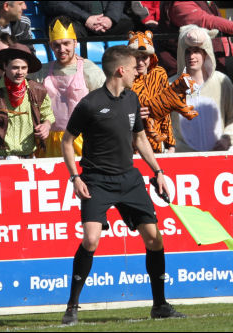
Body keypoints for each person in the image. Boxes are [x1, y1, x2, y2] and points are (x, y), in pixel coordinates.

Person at [60, 45, 186, 325]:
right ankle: (72, 306)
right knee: (91, 239)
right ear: (120, 70)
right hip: (96, 180)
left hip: (130, 179)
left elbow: (140, 139)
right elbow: (66, 142)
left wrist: (158, 171)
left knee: (154, 238)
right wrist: (75, 177)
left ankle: (160, 305)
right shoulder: (90, 104)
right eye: (132, 67)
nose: (136, 71)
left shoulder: (132, 99)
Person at [29, 16, 106, 157]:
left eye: (66, 43)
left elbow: (105, 104)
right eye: (56, 45)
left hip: (82, 140)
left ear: (75, 43)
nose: (61, 49)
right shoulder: (41, 72)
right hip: (49, 141)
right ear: (50, 45)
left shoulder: (90, 70)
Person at [168, 24, 233, 152]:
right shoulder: (170, 86)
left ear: (205, 52)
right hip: (184, 159)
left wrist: (227, 138)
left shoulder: (222, 82)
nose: (192, 57)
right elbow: (163, 124)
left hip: (218, 155)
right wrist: (170, 146)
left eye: (196, 51)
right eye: (188, 52)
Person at [156, 1, 233, 77]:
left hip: (211, 61)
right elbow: (207, 21)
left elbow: (222, 40)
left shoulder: (207, 3)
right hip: (184, 68)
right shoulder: (179, 4)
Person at [41, 2, 134, 38]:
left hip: (104, 22)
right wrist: (86, 18)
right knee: (66, 30)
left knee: (128, 25)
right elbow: (53, 3)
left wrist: (110, 19)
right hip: (74, 20)